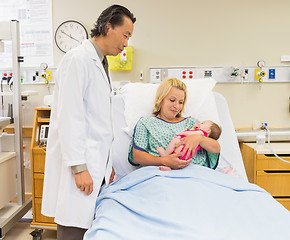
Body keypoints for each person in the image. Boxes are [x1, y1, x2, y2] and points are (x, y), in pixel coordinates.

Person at [41, 5, 136, 240]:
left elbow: (99, 122)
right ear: (107, 27)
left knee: (87, 230)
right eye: (125, 35)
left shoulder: (100, 63)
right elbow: (69, 117)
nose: (126, 43)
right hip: (80, 167)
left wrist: (106, 165)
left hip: (94, 165)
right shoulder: (77, 60)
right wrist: (79, 167)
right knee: (73, 229)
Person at [128, 78, 220, 171]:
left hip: (195, 174)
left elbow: (216, 148)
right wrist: (164, 161)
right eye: (172, 100)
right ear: (161, 99)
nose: (176, 106)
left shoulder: (193, 123)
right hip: (160, 174)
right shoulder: (146, 124)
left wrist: (199, 139)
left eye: (180, 102)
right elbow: (137, 156)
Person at [157, 120, 221, 160]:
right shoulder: (200, 134)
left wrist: (183, 133)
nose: (200, 124)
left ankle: (165, 154)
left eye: (202, 123)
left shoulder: (202, 133)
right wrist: (193, 128)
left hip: (184, 150)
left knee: (175, 141)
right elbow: (192, 132)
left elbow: (190, 133)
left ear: (208, 130)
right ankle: (168, 166)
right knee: (174, 157)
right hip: (185, 154)